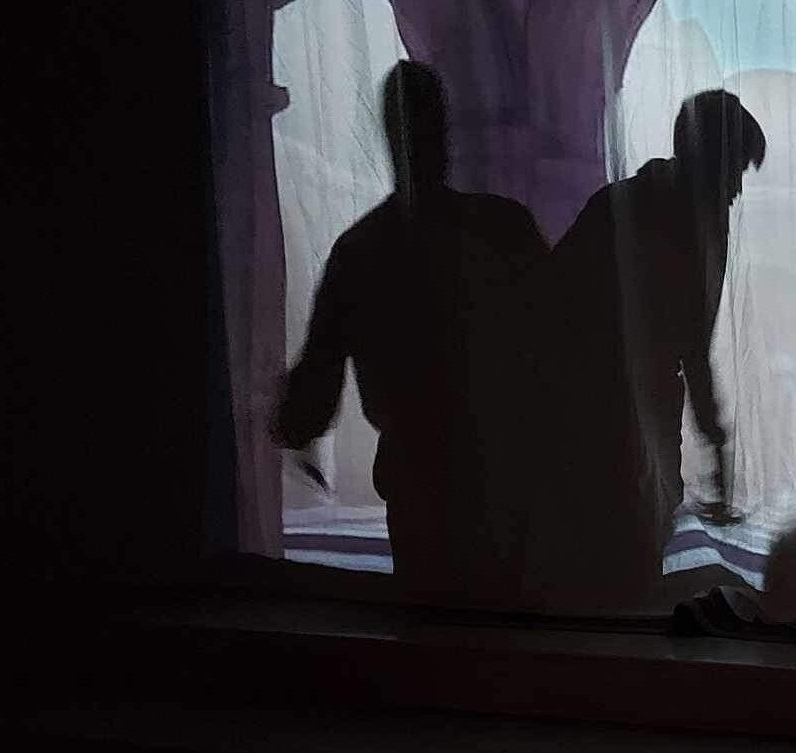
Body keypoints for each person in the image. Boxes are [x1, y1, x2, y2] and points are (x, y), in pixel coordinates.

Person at [271, 60, 548, 599]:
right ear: (446, 132)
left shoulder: (360, 250)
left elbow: (310, 404)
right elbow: (561, 338)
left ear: (387, 135)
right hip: (509, 481)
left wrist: (277, 416)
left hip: (419, 485)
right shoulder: (504, 227)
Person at [500, 89, 766, 610]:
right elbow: (692, 343)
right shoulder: (683, 223)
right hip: (607, 426)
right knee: (624, 573)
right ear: (707, 161)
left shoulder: (621, 206)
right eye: (733, 172)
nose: (736, 190)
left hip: (600, 424)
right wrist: (714, 438)